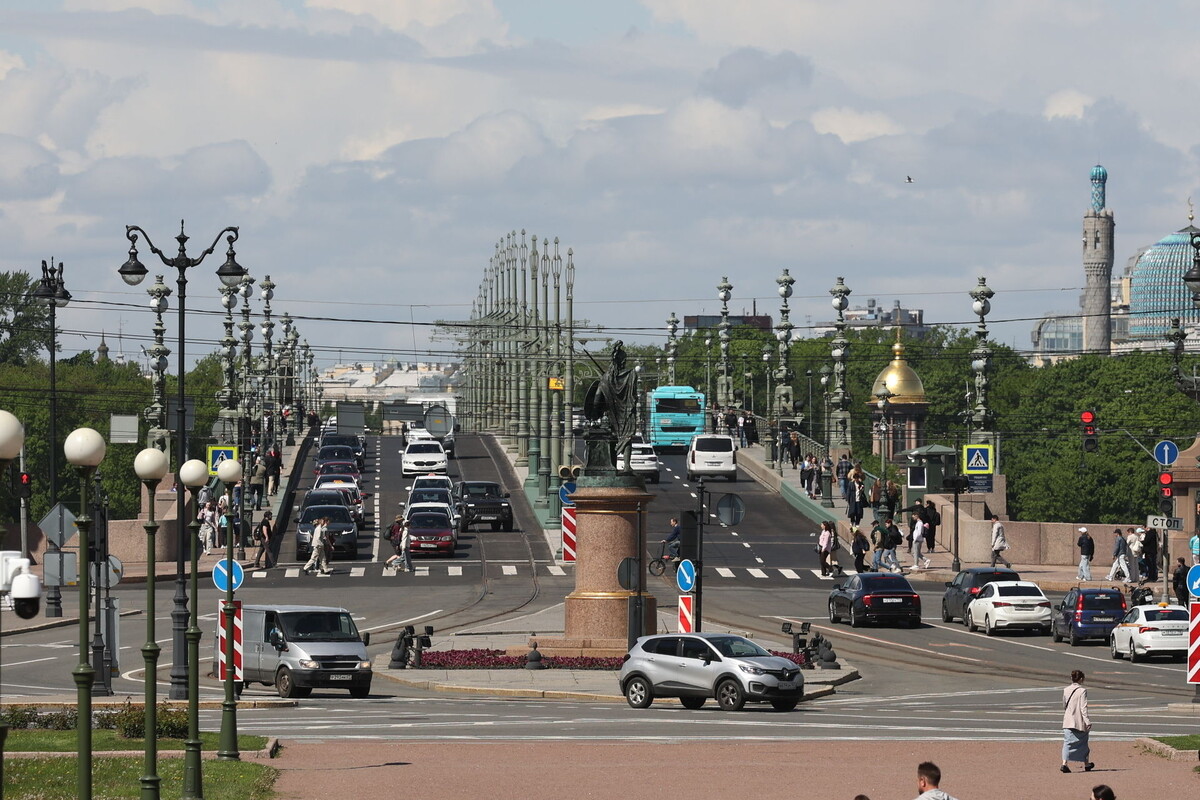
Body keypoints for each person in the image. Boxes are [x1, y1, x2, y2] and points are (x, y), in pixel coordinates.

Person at [1061, 669, 1094, 773]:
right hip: (1078, 721)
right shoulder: (1082, 691)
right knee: (1083, 744)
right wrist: (1087, 721)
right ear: (1081, 679)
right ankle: (1086, 764)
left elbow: (1064, 704)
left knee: (1067, 743)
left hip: (1068, 720)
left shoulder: (1066, 690)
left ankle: (1064, 763)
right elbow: (1083, 707)